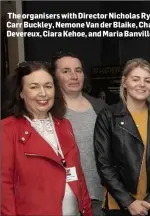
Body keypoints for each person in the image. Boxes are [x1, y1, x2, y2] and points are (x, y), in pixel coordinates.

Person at [1, 61, 92, 216]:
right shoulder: (7, 129)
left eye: (48, 86)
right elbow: (3, 186)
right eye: (34, 87)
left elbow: (78, 174)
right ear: (21, 93)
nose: (43, 93)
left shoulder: (64, 125)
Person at [94, 58, 150, 216]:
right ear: (124, 82)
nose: (142, 84)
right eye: (135, 79)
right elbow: (104, 165)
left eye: (147, 80)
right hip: (119, 204)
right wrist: (128, 202)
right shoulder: (108, 116)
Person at [52, 51, 107, 216]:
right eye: (66, 71)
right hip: (64, 198)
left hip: (99, 197)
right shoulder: (49, 111)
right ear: (55, 77)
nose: (74, 76)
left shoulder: (100, 107)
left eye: (78, 70)